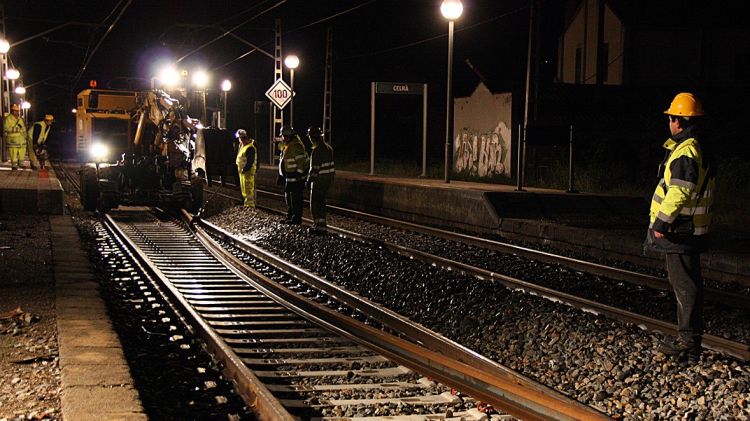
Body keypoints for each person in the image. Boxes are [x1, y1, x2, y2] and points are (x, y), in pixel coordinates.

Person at [647, 92, 715, 364]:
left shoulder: (686, 151)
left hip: (680, 229)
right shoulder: (698, 146)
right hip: (689, 228)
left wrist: (662, 221)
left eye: (671, 118)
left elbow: (680, 191)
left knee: (684, 285)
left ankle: (688, 343)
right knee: (686, 283)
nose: (669, 123)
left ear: (679, 121)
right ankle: (687, 340)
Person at [306, 126, 335, 235]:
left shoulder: (317, 151)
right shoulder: (328, 148)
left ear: (312, 137)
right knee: (321, 203)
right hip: (328, 180)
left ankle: (319, 228)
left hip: (318, 181)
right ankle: (322, 227)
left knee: (315, 204)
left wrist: (309, 180)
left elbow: (314, 169)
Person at [278, 126, 308, 224]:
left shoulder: (296, 145)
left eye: (283, 136)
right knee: (289, 197)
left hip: (295, 177)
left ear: (287, 136)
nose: (282, 138)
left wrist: (298, 174)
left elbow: (301, 161)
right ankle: (290, 216)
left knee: (295, 198)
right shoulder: (289, 145)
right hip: (290, 176)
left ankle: (296, 218)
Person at [235, 129, 257, 207]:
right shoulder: (242, 146)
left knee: (248, 189)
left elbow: (250, 161)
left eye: (239, 139)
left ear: (242, 138)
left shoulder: (250, 148)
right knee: (244, 189)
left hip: (248, 172)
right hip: (242, 172)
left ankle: (250, 206)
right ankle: (246, 204)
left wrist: (245, 169)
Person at [3, 104, 28, 171]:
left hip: (21, 140)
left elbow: (24, 128)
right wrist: (17, 129)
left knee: (22, 152)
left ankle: (21, 164)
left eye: (18, 111)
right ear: (12, 111)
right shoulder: (8, 118)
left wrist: (26, 137)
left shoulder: (20, 119)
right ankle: (14, 165)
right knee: (13, 153)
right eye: (16, 111)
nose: (17, 112)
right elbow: (6, 128)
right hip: (12, 140)